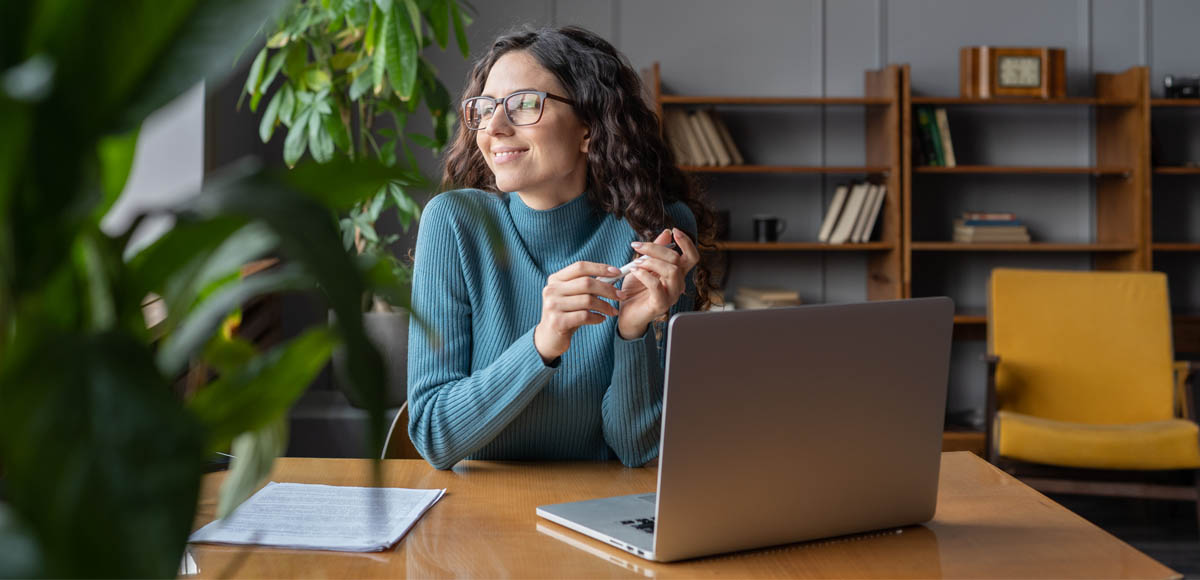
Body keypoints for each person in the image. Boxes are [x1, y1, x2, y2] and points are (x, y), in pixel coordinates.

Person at [407, 25, 718, 470]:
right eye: (485, 108)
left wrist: (632, 333)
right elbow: (434, 435)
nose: (494, 127)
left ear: (589, 128)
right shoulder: (454, 224)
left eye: (524, 105)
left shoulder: (657, 232)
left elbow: (639, 448)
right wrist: (543, 342)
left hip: (598, 511)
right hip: (476, 511)